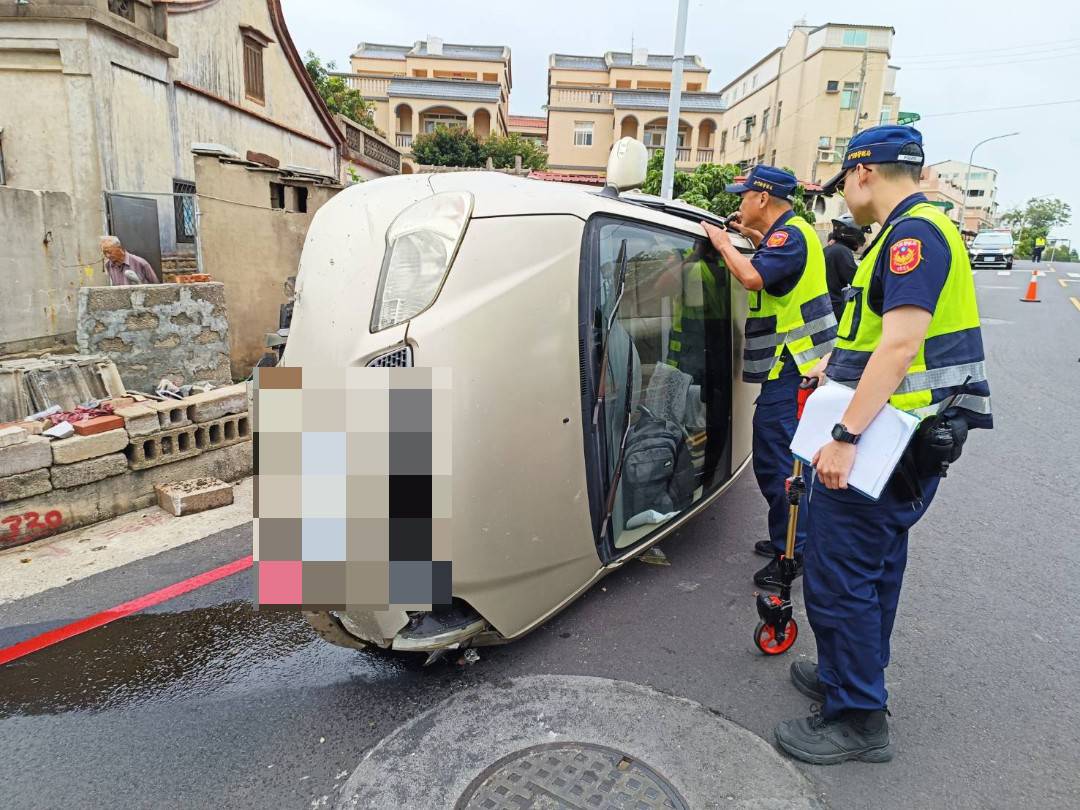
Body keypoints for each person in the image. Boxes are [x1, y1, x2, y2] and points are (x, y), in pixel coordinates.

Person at [773, 125, 993, 765]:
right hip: (906, 442)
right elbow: (877, 340)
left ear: (863, 172)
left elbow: (900, 347)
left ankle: (859, 719)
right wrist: (832, 371)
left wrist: (843, 436)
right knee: (873, 574)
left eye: (842, 179)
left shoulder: (911, 237)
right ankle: (849, 679)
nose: (841, 192)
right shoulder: (915, 231)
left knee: (841, 580)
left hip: (884, 445)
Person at [700, 165, 836, 590]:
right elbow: (777, 273)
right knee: (785, 463)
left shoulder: (789, 236)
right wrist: (754, 243)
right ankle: (792, 537)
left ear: (761, 198)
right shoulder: (792, 234)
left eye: (744, 195)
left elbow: (754, 277)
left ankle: (791, 553)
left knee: (779, 466)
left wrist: (723, 243)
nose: (740, 203)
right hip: (797, 363)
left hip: (792, 364)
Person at [824, 214, 869, 321]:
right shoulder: (842, 251)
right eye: (861, 233)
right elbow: (857, 279)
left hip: (825, 304)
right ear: (852, 233)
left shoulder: (830, 248)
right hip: (833, 308)